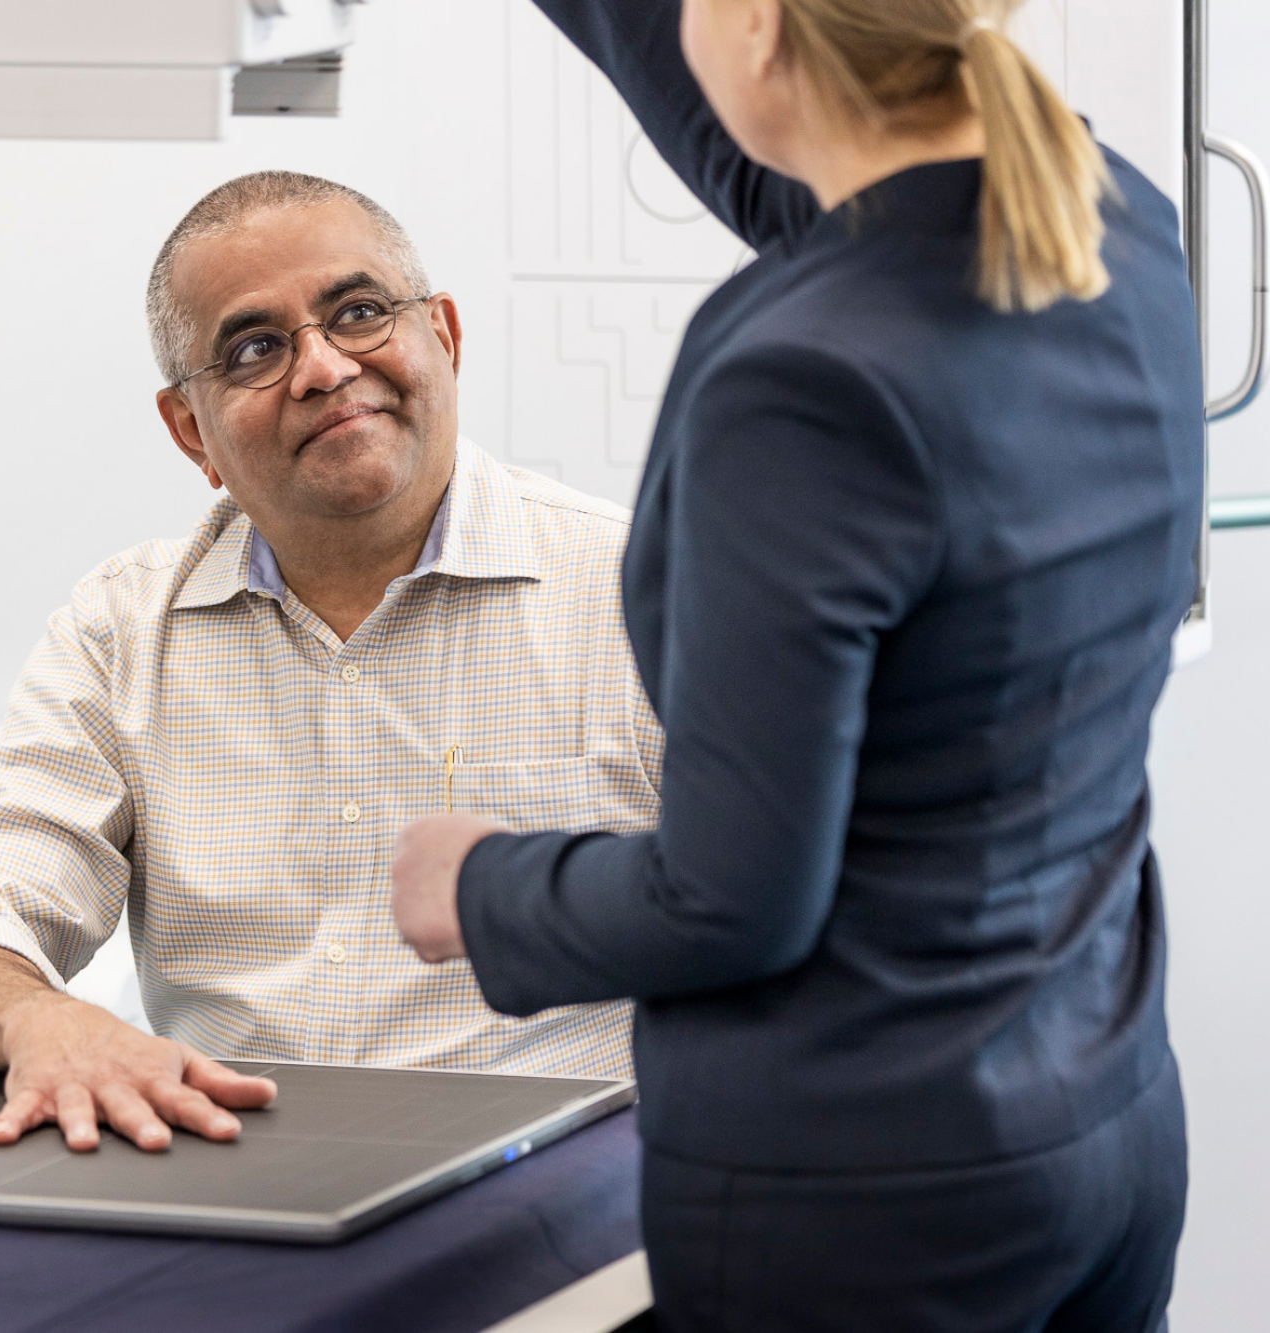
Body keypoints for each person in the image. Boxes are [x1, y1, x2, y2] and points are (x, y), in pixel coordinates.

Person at [391, 2, 1199, 1329]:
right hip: (1101, 1122)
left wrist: (479, 886)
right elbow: (791, 173)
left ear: (761, 23)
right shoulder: (1112, 220)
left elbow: (732, 901)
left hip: (875, 1193)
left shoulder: (803, 379)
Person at [0, 171, 665, 1155]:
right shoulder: (123, 632)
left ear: (442, 337)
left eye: (358, 313)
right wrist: (38, 1018)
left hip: (574, 1195)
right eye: (254, 348)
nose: (321, 369)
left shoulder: (648, 593)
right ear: (191, 429)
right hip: (234, 1191)